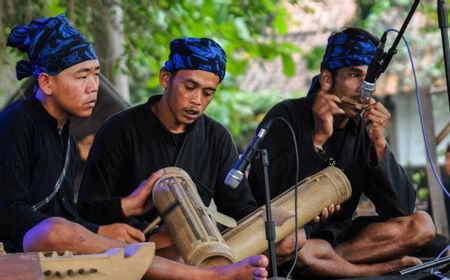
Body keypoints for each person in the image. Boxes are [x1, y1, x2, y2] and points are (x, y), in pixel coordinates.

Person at [0, 15, 269, 280]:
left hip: (68, 244)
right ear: (46, 82)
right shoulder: (18, 121)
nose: (93, 87)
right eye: (82, 76)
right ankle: (203, 276)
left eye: (96, 75)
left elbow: (68, 215)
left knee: (168, 246)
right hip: (20, 248)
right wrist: (103, 232)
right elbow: (10, 212)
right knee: (54, 231)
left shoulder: (65, 137)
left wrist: (105, 228)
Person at [77, 37, 304, 266]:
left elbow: (239, 208)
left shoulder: (216, 137)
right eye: (189, 87)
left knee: (290, 242)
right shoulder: (119, 129)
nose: (196, 100)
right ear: (165, 78)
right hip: (135, 247)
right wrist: (129, 206)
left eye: (207, 93)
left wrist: (278, 220)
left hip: (198, 245)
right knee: (178, 253)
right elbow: (87, 210)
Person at [248, 27, 437, 278]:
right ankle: (374, 269)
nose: (364, 89)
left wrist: (379, 143)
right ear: (327, 78)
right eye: (354, 75)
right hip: (294, 241)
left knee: (422, 225)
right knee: (295, 245)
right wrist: (317, 139)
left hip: (341, 244)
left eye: (369, 80)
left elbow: (401, 208)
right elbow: (262, 193)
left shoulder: (363, 130)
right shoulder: (285, 116)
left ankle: (329, 264)